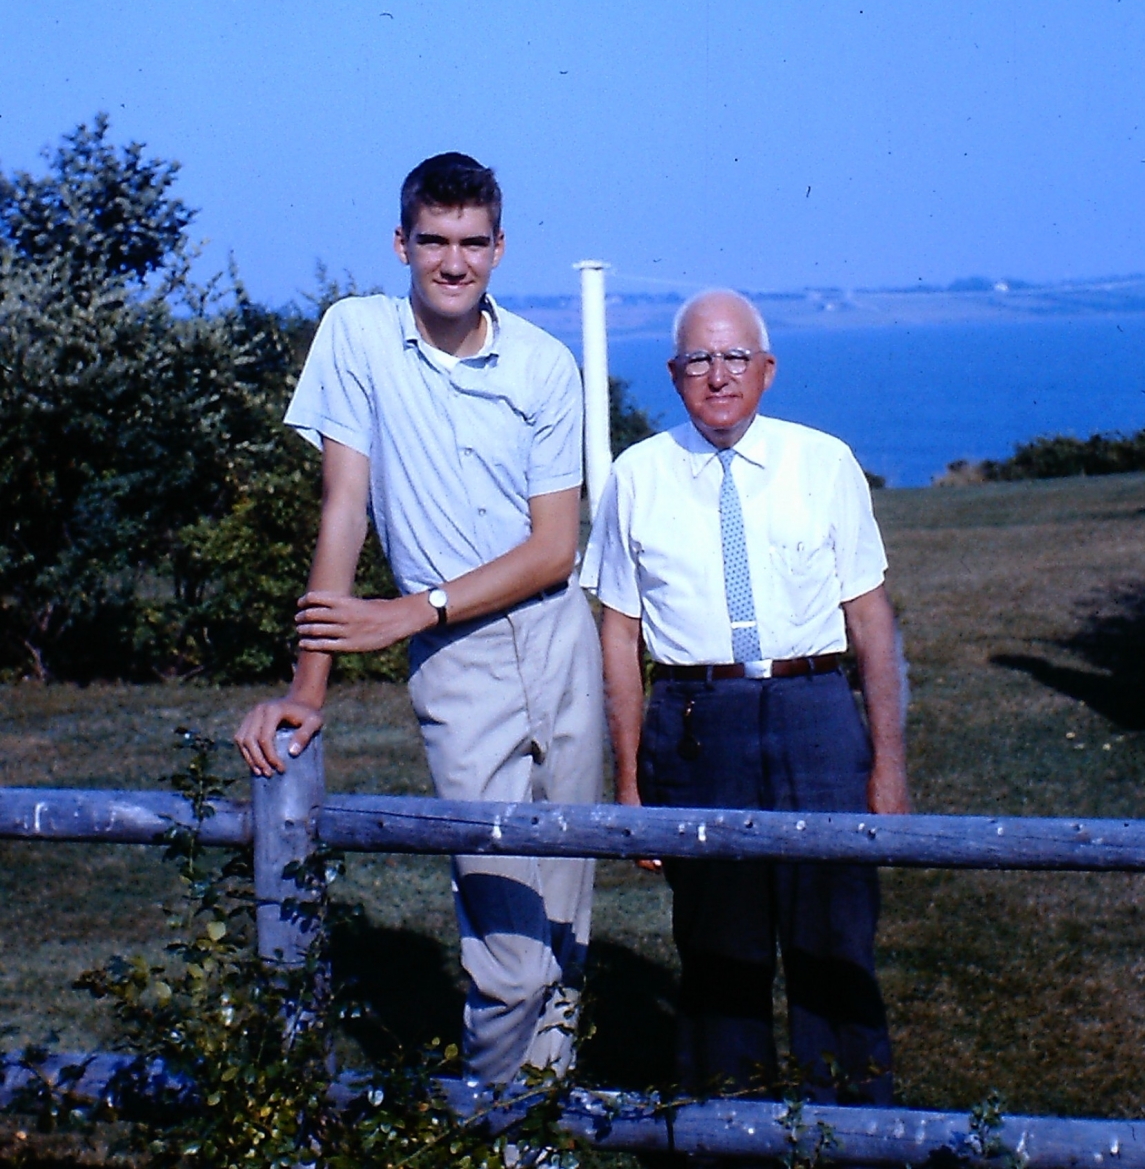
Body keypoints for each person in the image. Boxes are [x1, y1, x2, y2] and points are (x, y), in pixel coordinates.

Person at [234, 152, 604, 1085]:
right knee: (507, 949)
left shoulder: (543, 365)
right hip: (458, 660)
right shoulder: (354, 336)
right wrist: (308, 686)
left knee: (566, 918)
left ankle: (536, 1136)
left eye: (471, 242)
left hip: (561, 639)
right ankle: (489, 1127)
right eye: (433, 241)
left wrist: (407, 610)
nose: (452, 262)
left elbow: (555, 548)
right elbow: (342, 509)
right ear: (400, 244)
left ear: (498, 248)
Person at [580, 289, 909, 1102]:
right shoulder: (636, 476)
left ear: (766, 369)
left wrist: (888, 766)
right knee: (718, 949)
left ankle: (853, 1136)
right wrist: (629, 786)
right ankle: (727, 1138)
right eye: (698, 358)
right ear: (673, 373)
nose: (717, 376)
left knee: (834, 940)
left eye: (733, 358)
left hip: (816, 716)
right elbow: (618, 639)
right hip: (697, 727)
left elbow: (869, 620)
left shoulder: (822, 462)